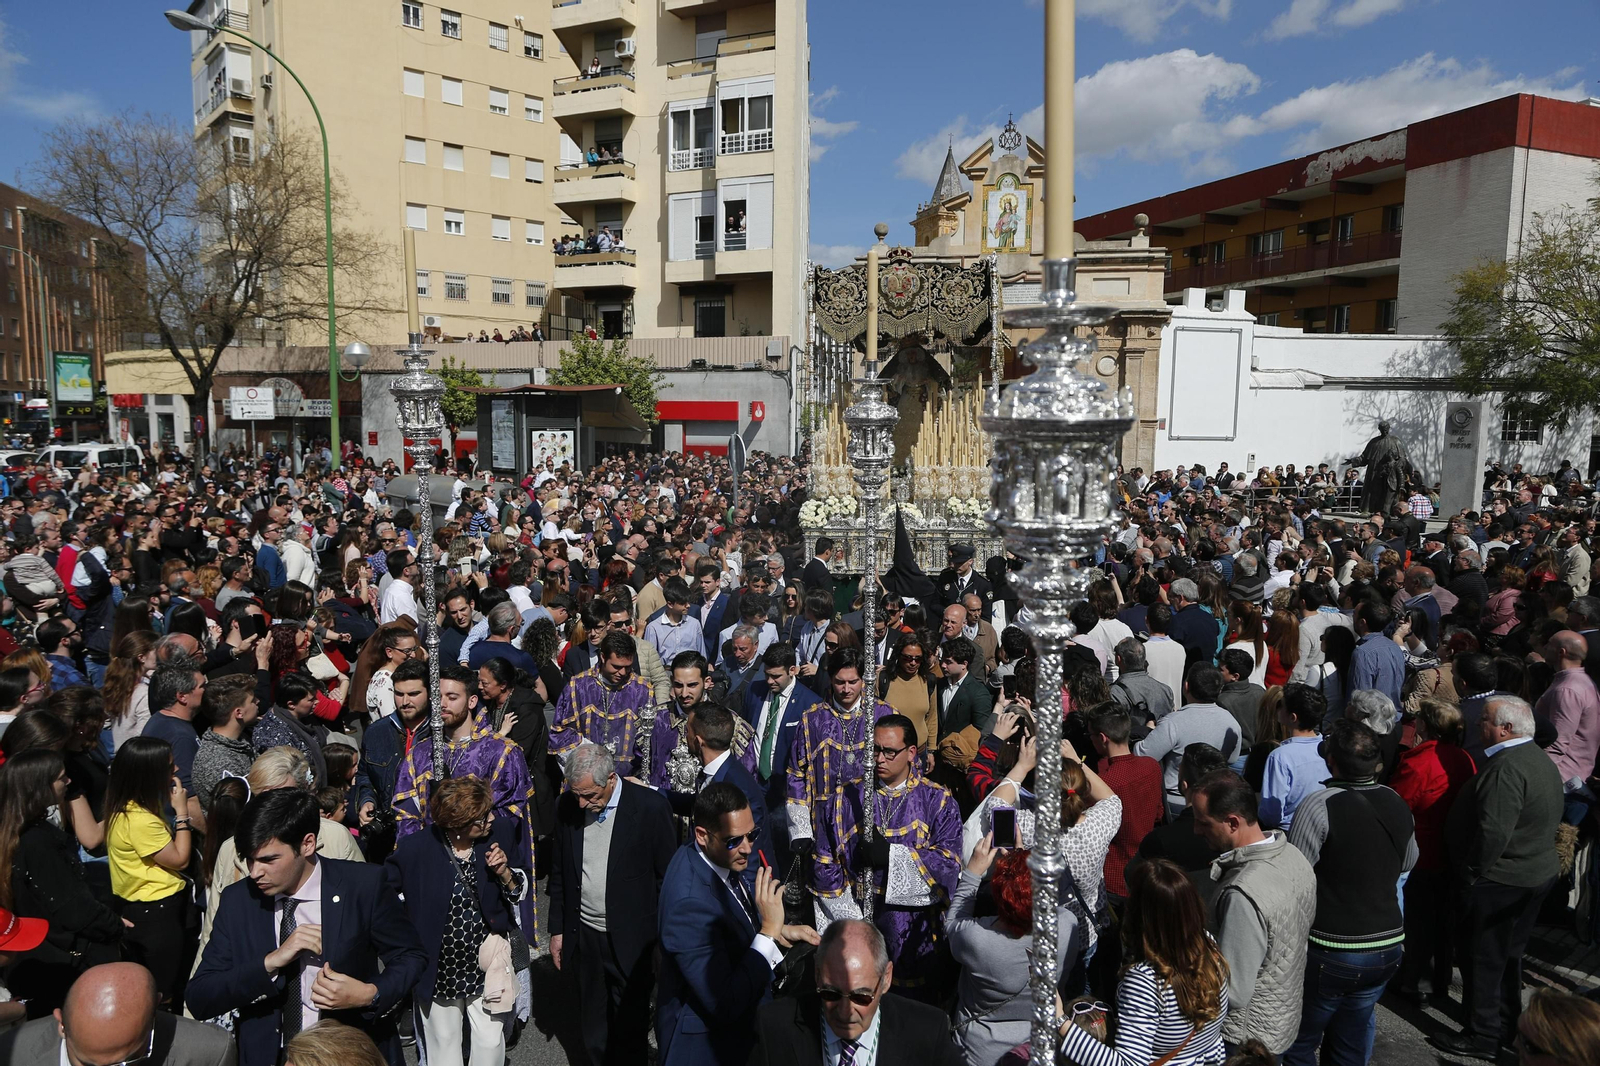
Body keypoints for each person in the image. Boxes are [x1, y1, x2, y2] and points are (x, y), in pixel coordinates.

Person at [190, 788, 426, 1066]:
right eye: (248, 859)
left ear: (307, 844)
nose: (255, 872)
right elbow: (200, 996)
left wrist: (369, 994)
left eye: (268, 860)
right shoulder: (239, 900)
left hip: (345, 1054)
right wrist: (270, 963)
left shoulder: (363, 885)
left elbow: (410, 957)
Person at [1435, 695, 1564, 1061]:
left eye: (1485, 720)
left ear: (1506, 729)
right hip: (1528, 874)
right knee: (1507, 957)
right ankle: (1506, 1025)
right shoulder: (1536, 758)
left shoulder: (1506, 768)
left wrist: (1472, 873)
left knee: (1483, 959)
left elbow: (1493, 832)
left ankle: (1483, 1036)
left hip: (1502, 881)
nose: (1478, 725)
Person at [1283, 719, 1417, 1066]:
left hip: (1333, 948)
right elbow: (1408, 861)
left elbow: (1296, 876)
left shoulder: (1319, 805)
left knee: (1298, 1042)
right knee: (1350, 1041)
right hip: (1386, 946)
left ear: (1332, 763)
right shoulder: (1395, 801)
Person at [657, 782, 819, 1065]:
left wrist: (778, 932)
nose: (747, 848)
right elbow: (724, 1003)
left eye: (752, 835)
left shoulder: (712, 859)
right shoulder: (688, 904)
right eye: (734, 840)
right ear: (702, 835)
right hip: (711, 1049)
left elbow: (729, 929)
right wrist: (767, 933)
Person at [547, 742, 675, 1066]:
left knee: (630, 1026)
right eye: (576, 794)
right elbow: (560, 873)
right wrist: (558, 931)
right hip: (586, 935)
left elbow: (666, 880)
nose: (582, 803)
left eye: (589, 795)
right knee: (592, 1025)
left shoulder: (649, 809)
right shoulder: (568, 807)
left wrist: (663, 940)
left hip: (633, 939)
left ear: (612, 780)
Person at [384, 776, 524, 1066]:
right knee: (444, 1046)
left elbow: (519, 892)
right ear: (457, 824)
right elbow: (384, 898)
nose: (491, 819)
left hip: (487, 961)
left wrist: (505, 873)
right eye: (482, 817)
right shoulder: (415, 850)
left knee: (489, 1041)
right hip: (439, 968)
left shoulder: (500, 833)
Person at [1051, 858, 1229, 1066]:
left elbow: (1129, 1063)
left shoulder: (1144, 980)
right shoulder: (1208, 945)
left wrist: (1060, 1020)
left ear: (1140, 914)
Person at [1190, 769, 1317, 1056]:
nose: (1196, 831)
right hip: (1281, 1019)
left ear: (1233, 822)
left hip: (1244, 1038)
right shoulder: (1294, 857)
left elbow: (1232, 990)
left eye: (1203, 823)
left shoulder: (1242, 894)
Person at [0, 748, 126, 1015]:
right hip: (59, 968)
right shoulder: (37, 844)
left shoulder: (17, 833)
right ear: (39, 788)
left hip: (36, 960)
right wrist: (116, 926)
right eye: (61, 778)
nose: (68, 782)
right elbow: (73, 910)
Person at [750, 918, 965, 1066]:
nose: (846, 1012)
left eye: (861, 997)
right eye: (831, 994)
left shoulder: (927, 1031)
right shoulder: (774, 1027)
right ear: (817, 975)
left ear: (886, 979)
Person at [785, 647, 896, 928]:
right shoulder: (813, 719)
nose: (846, 689)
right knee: (831, 904)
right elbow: (796, 774)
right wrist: (801, 829)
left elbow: (904, 768)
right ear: (830, 679)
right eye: (839, 682)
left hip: (870, 824)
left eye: (853, 681)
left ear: (864, 680)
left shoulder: (883, 715)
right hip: (823, 827)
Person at [947, 841, 1080, 1066]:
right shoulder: (1067, 926)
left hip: (980, 1054)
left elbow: (952, 924)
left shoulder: (977, 939)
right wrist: (1022, 865)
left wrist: (972, 873)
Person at [1389, 697, 1476, 1007]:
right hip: (1451, 852)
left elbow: (1398, 807)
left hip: (1422, 852)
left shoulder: (1419, 762)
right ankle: (1436, 981)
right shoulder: (1464, 758)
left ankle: (1414, 982)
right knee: (1442, 921)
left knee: (1419, 922)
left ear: (1426, 725)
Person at [105, 735, 196, 1009]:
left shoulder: (124, 807)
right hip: (156, 913)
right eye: (169, 767)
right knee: (163, 991)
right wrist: (182, 813)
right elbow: (180, 859)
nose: (176, 770)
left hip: (144, 909)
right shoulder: (140, 820)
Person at [0, 961, 236, 1066]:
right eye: (89, 1065)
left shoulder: (209, 1053)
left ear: (153, 1015)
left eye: (129, 1060)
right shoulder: (12, 1051)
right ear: (61, 1024)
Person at [1136, 663, 1242, 819]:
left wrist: (1150, 731)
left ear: (1186, 686)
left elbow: (1142, 755)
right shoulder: (1231, 722)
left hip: (1177, 802)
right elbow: (1232, 758)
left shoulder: (1173, 722)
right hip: (1214, 800)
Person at [550, 630, 654, 779]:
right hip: (586, 776)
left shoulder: (642, 691)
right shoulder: (578, 686)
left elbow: (649, 740)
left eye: (628, 666)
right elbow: (560, 733)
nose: (623, 673)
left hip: (627, 778)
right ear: (603, 657)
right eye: (616, 667)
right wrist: (591, 753)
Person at [1257, 683, 1328, 831]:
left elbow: (1271, 813)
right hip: (1323, 828)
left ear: (1293, 717)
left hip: (1290, 832)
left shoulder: (1280, 756)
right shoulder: (1328, 748)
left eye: (1281, 706)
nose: (1278, 709)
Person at [1348, 601, 1405, 710]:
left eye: (1354, 614)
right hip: (1393, 719)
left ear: (1362, 622)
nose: (1352, 618)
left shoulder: (1363, 653)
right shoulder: (1394, 647)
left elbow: (1360, 700)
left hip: (1373, 722)